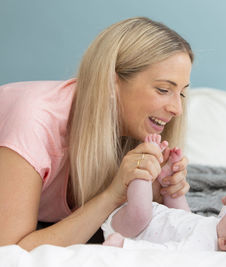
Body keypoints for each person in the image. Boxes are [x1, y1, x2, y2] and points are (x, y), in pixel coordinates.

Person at [0, 17, 193, 251]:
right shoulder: (34, 121)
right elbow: (10, 253)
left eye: (181, 93)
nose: (177, 109)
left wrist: (158, 191)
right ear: (112, 83)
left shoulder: (131, 134)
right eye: (163, 90)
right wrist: (112, 195)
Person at [102, 135, 226, 252]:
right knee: (186, 214)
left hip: (130, 228)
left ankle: (145, 164)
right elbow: (225, 224)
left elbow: (166, 252)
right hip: (157, 215)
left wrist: (125, 245)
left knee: (141, 215)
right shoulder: (224, 233)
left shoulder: (198, 248)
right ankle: (168, 178)